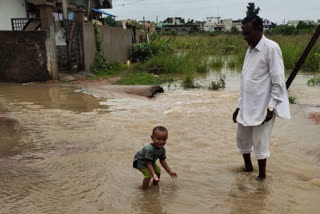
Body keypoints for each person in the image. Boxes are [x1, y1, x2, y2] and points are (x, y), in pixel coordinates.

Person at [233, 15, 290, 180]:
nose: (245, 38)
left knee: (260, 141)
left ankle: (262, 177)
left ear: (259, 29)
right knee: (242, 139)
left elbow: (278, 82)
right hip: (247, 104)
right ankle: (248, 168)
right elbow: (245, 81)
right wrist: (238, 106)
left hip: (263, 106)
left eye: (248, 33)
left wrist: (271, 107)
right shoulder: (249, 50)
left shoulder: (271, 48)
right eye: (243, 33)